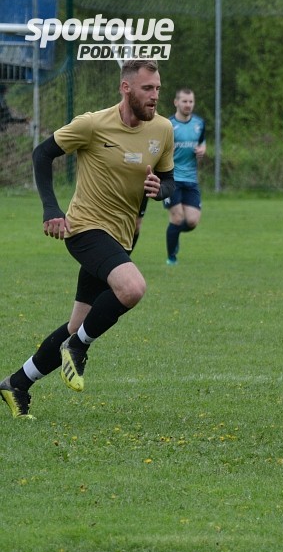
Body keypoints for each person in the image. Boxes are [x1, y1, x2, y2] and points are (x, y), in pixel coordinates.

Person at [0, 59, 174, 419]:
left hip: (121, 237)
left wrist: (160, 189)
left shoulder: (163, 129)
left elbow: (169, 179)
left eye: (157, 88)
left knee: (77, 325)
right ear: (126, 88)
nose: (155, 95)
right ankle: (76, 349)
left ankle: (16, 383)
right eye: (147, 88)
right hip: (85, 229)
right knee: (132, 288)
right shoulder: (93, 124)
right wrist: (51, 209)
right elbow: (42, 153)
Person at [163, 88, 206, 265]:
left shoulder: (199, 123)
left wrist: (202, 150)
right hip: (171, 178)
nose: (188, 105)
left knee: (192, 221)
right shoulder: (167, 125)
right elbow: (156, 150)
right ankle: (171, 258)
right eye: (184, 101)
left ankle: (173, 232)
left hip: (191, 179)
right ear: (176, 102)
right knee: (177, 217)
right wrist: (166, 152)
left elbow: (202, 143)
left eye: (191, 101)